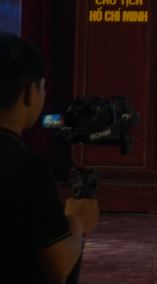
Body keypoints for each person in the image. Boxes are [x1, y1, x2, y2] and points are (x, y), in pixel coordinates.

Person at [1, 33, 100, 284]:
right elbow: (58, 265)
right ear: (30, 92)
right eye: (43, 88)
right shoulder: (27, 168)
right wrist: (78, 221)